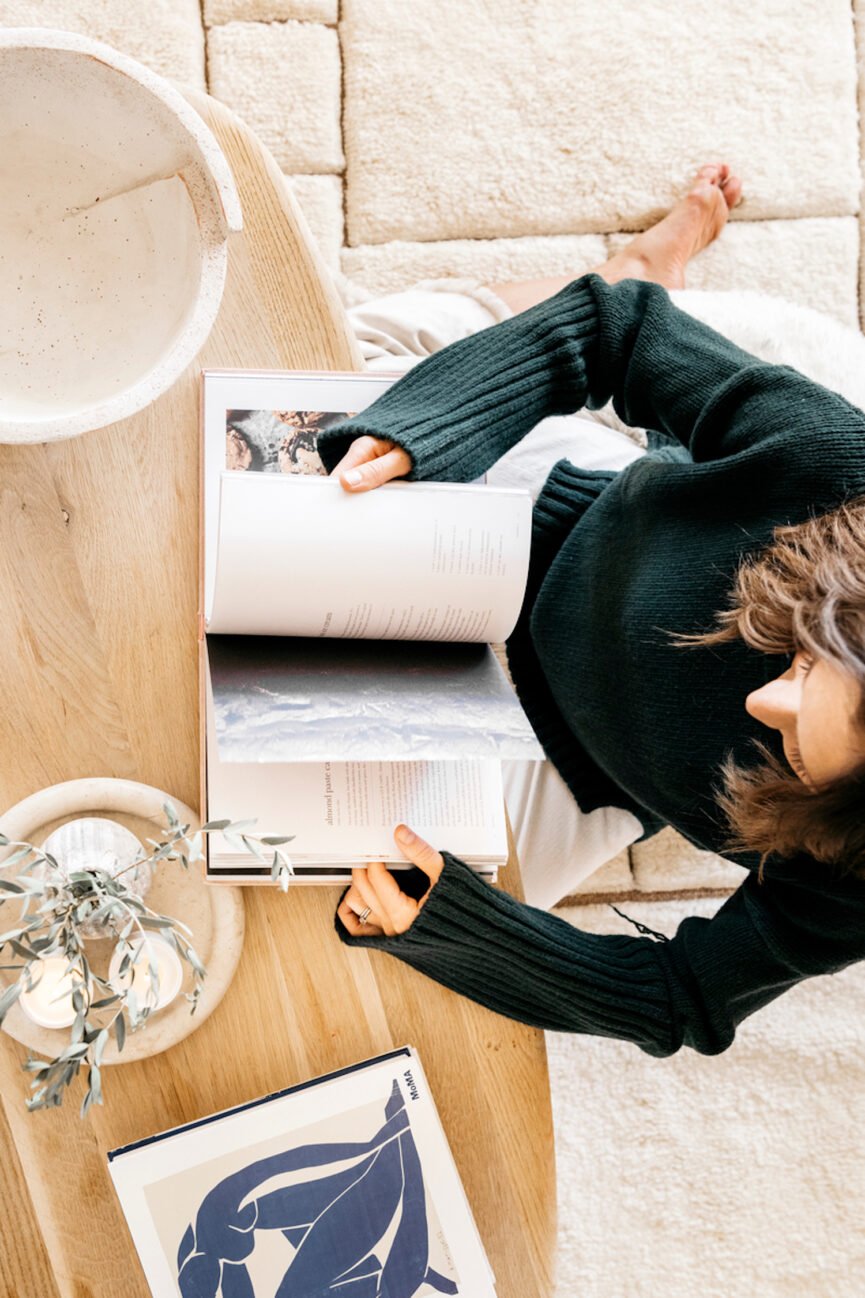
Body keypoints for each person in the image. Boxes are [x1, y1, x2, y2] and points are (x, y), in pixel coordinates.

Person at [315, 164, 865, 1058]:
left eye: (799, 758)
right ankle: (646, 262)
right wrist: (434, 429)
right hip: (548, 527)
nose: (759, 710)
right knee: (345, 354)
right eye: (799, 662)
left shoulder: (858, 877)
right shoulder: (836, 468)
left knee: (318, 890)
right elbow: (612, 333)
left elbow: (679, 1000)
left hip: (575, 767)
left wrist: (458, 927)